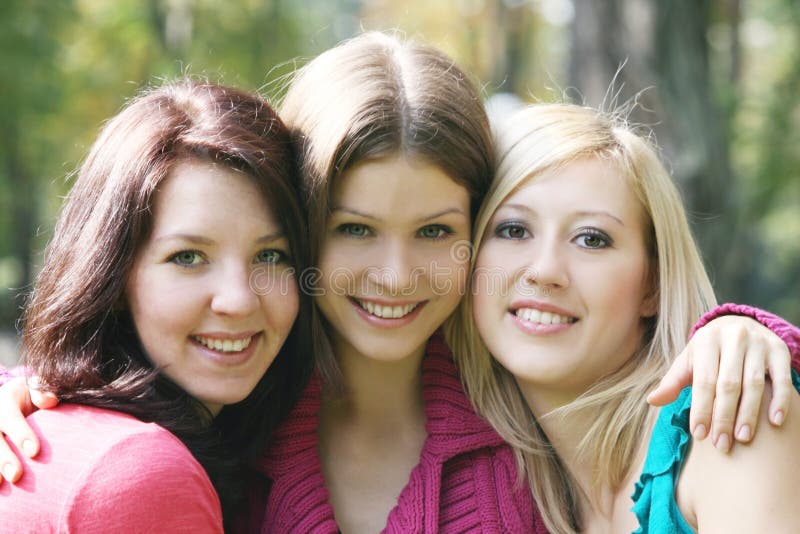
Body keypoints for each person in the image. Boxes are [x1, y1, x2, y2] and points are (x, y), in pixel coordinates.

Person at [0, 33, 796, 533]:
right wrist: (34, 388)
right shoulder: (232, 408)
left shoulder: (518, 403)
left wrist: (744, 330)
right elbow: (112, 400)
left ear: (476, 236)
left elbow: (622, 363)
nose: (394, 276)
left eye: (437, 232)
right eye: (353, 230)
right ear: (300, 224)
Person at [448, 102, 800, 533]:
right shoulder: (496, 484)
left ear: (651, 285)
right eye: (514, 230)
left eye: (591, 239)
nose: (544, 271)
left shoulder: (729, 412)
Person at [0, 79, 312, 532]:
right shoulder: (144, 475)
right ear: (112, 275)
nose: (239, 299)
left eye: (270, 256)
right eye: (188, 257)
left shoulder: (59, 422)